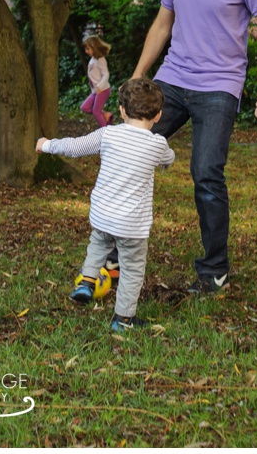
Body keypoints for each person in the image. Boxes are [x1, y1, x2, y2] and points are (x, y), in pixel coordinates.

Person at [131, 0, 257, 295]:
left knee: (206, 174)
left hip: (219, 86)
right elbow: (163, 25)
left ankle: (213, 270)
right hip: (174, 80)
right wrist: (138, 76)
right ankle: (115, 251)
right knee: (129, 152)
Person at [41, 78, 178, 331]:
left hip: (103, 215)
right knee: (132, 269)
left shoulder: (108, 134)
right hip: (132, 225)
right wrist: (167, 162)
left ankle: (86, 282)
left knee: (98, 243)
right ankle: (123, 319)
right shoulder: (157, 144)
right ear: (158, 115)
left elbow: (74, 146)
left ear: (123, 111)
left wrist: (46, 144)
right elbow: (168, 158)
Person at [80, 35, 113, 128]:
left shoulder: (100, 59)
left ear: (94, 47)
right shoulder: (93, 59)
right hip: (96, 90)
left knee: (96, 112)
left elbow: (106, 74)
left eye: (88, 49)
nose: (86, 51)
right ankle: (106, 115)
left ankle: (105, 132)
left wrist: (100, 86)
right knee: (84, 107)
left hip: (102, 89)